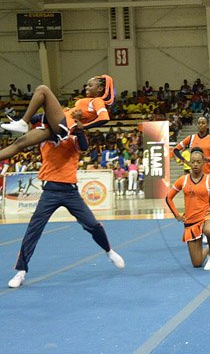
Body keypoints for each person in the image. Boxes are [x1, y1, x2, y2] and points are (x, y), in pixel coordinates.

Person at [7, 120, 124, 288]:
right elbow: (39, 121)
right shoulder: (44, 136)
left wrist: (81, 129)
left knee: (93, 225)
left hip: (70, 192)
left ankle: (109, 251)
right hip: (50, 192)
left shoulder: (73, 137)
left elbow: (83, 146)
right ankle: (21, 271)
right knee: (33, 230)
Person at [0, 75, 115, 161]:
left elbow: (104, 118)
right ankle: (24, 123)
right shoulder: (90, 101)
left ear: (100, 89)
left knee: (42, 89)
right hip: (55, 128)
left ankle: (23, 122)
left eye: (90, 85)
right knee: (19, 144)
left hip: (63, 124)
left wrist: (84, 126)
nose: (86, 87)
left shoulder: (98, 101)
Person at [165, 148, 210, 269]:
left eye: (198, 162)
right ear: (189, 163)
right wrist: (177, 215)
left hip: (206, 217)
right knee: (197, 263)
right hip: (191, 222)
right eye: (193, 162)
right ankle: (209, 248)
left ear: (203, 163)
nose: (195, 164)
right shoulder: (183, 180)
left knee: (209, 230)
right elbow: (168, 197)